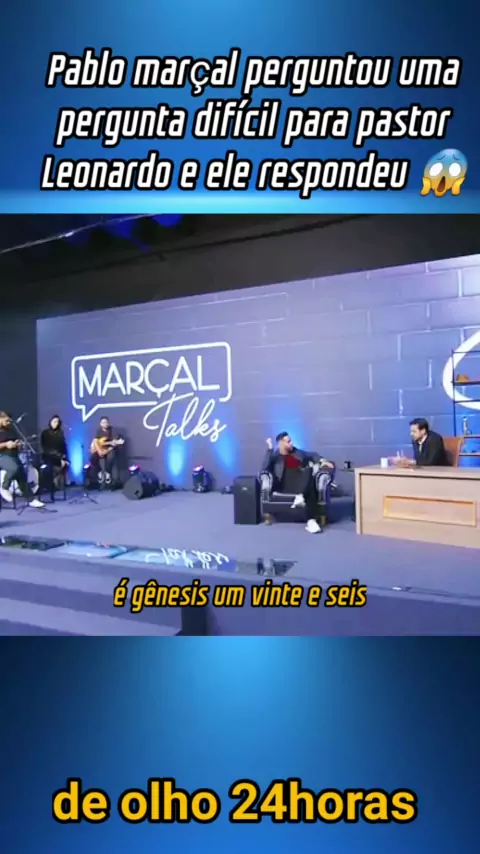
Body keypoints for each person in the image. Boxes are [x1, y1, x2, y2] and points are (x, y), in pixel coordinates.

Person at [260, 431, 335, 534]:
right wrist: (270, 449)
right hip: (286, 484)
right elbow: (264, 467)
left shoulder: (296, 452)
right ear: (281, 443)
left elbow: (313, 455)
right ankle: (310, 517)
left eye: (291, 441)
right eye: (288, 442)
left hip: (302, 480)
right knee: (310, 484)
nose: (291, 443)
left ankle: (309, 515)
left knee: (309, 472)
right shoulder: (275, 457)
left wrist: (322, 461)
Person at [0, 411, 45, 508]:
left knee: (22, 476)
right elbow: (5, 444)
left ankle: (31, 499)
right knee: (13, 468)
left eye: (9, 421)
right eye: (6, 421)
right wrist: (5, 444)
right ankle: (4, 487)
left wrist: (18, 444)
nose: (8, 423)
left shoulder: (10, 430)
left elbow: (16, 441)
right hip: (2, 456)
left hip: (13, 455)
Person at [89, 416, 124, 486]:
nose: (104, 424)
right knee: (92, 458)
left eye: (106, 422)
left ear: (108, 423)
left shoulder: (113, 431)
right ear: (100, 424)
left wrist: (106, 451)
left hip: (109, 449)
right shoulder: (99, 431)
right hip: (100, 449)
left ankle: (107, 472)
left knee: (111, 457)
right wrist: (99, 451)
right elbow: (95, 441)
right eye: (103, 422)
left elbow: (114, 444)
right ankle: (99, 472)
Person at [41, 415, 69, 489]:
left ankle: (58, 482)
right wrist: (60, 458)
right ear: (50, 422)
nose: (56, 423)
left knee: (66, 464)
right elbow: (46, 448)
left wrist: (64, 458)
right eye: (54, 422)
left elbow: (63, 447)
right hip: (49, 456)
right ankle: (52, 483)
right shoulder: (45, 433)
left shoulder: (60, 433)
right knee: (51, 465)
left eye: (57, 422)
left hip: (59, 456)